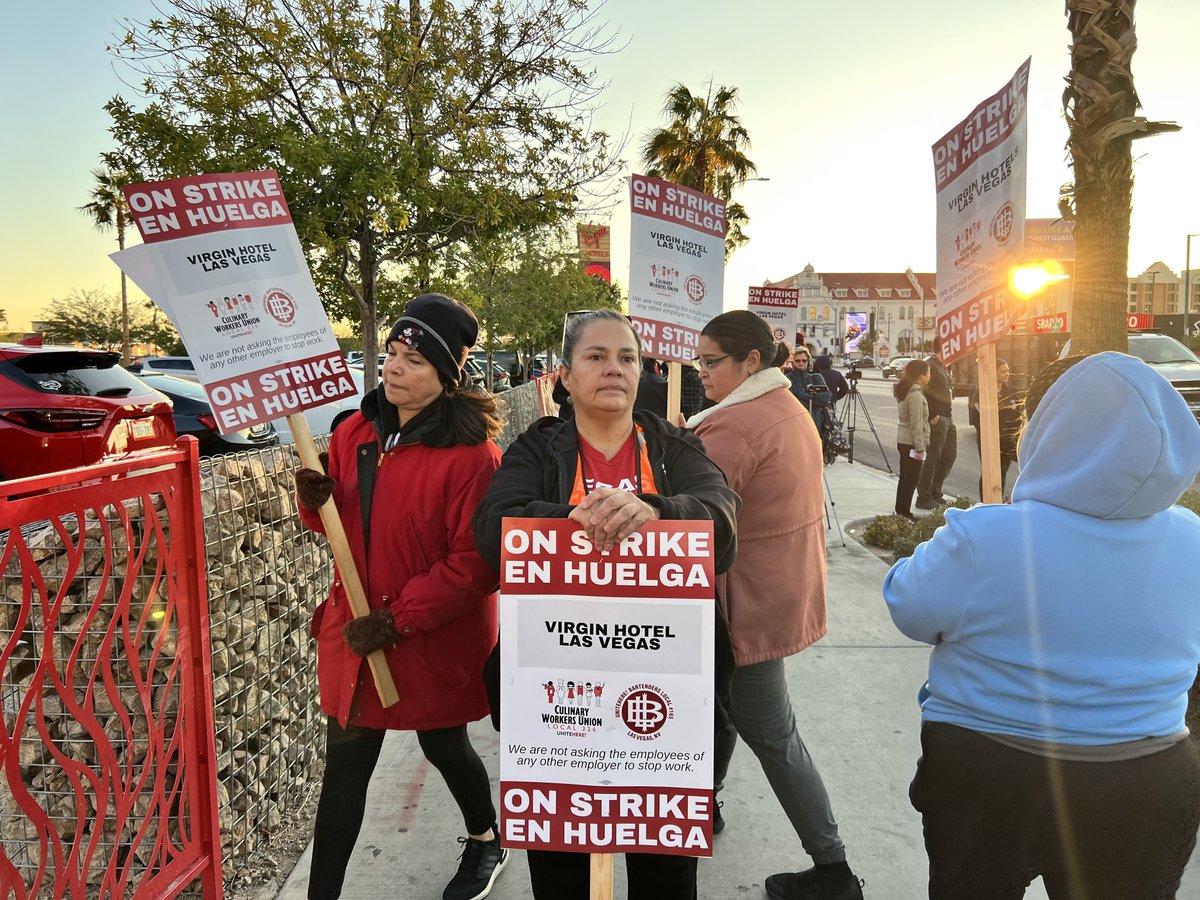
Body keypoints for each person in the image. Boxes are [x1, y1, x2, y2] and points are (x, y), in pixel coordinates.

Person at [883, 352, 1200, 900]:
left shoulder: (986, 537)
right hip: (1148, 773)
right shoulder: (1191, 538)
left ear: (1054, 428)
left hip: (990, 768)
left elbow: (910, 606)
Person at [472, 309, 740, 900]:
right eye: (596, 356)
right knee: (563, 876)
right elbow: (492, 529)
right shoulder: (537, 449)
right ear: (564, 375)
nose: (613, 368)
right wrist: (569, 522)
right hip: (559, 714)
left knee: (665, 878)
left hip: (663, 720)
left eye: (627, 358)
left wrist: (662, 511)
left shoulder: (673, 446)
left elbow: (722, 523)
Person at [293, 294, 508, 900]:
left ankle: (487, 837)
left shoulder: (473, 458)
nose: (392, 367)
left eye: (412, 359)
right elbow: (335, 528)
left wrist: (396, 620)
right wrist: (314, 501)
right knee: (345, 771)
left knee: (443, 742)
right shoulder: (354, 431)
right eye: (391, 352)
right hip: (355, 629)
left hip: (428, 634)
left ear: (444, 376)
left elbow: (474, 563)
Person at [688, 311, 864, 900]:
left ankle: (833, 869)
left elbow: (692, 518)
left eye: (712, 362)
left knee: (771, 732)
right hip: (777, 591)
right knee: (726, 709)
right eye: (699, 361)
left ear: (751, 362)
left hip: (748, 604)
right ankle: (702, 804)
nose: (701, 372)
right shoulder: (786, 407)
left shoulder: (734, 427)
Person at [968, 357, 1023, 499]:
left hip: (1008, 440)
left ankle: (1000, 501)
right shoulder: (982, 391)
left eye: (1008, 371)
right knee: (990, 473)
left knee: (1008, 469)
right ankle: (986, 502)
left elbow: (1019, 412)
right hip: (990, 438)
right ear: (994, 372)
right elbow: (976, 416)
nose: (1007, 374)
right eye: (1003, 371)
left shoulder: (1011, 390)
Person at [915, 349, 957, 509]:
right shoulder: (929, 365)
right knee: (933, 457)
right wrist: (932, 414)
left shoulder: (942, 365)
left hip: (948, 415)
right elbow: (922, 389)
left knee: (949, 455)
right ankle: (924, 496)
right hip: (938, 417)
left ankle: (935, 491)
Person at [894, 359, 931, 521]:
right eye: (928, 373)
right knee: (911, 479)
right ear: (921, 376)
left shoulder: (906, 391)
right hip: (911, 442)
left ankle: (900, 510)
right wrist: (920, 447)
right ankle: (905, 513)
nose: (929, 376)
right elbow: (916, 424)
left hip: (903, 440)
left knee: (905, 477)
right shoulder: (915, 395)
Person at [785, 344, 833, 437]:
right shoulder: (788, 379)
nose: (801, 363)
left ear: (808, 362)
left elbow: (826, 398)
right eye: (797, 361)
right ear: (792, 362)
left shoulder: (817, 377)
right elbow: (793, 403)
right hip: (796, 424)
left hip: (816, 423)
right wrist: (814, 399)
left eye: (804, 361)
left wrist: (802, 395)